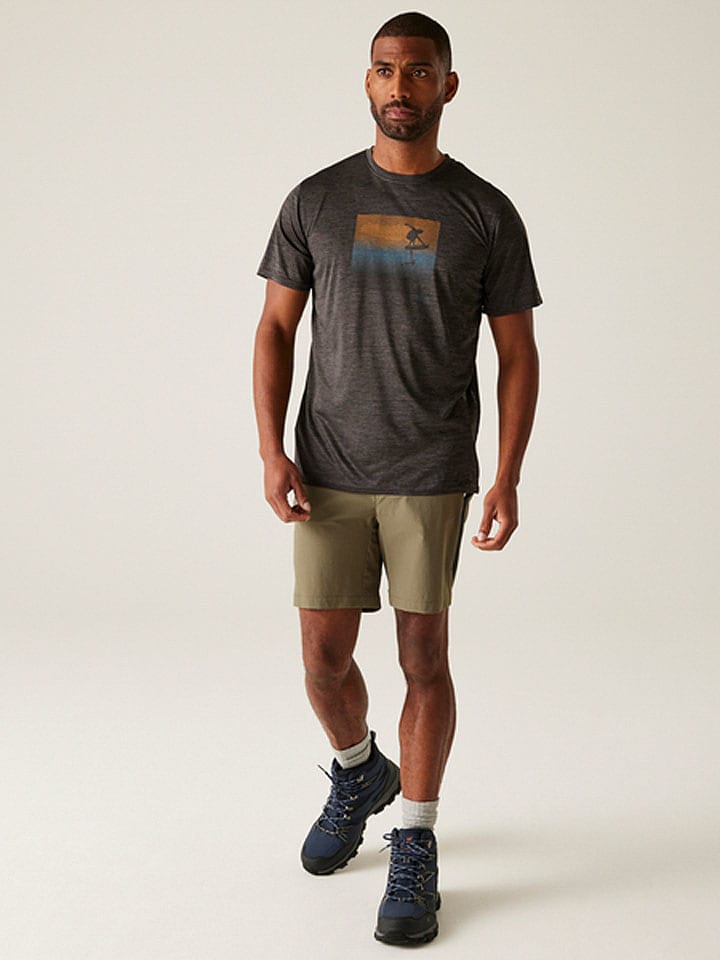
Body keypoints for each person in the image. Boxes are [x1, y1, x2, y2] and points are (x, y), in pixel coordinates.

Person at [252, 11, 542, 947]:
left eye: (419, 71)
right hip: (328, 467)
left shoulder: (485, 212)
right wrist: (271, 450)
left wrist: (506, 474)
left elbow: (517, 352)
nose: (400, 87)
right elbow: (275, 328)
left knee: (423, 659)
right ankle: (358, 771)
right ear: (366, 81)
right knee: (322, 660)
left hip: (429, 469)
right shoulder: (316, 199)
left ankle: (414, 836)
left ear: (447, 86)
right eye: (385, 70)